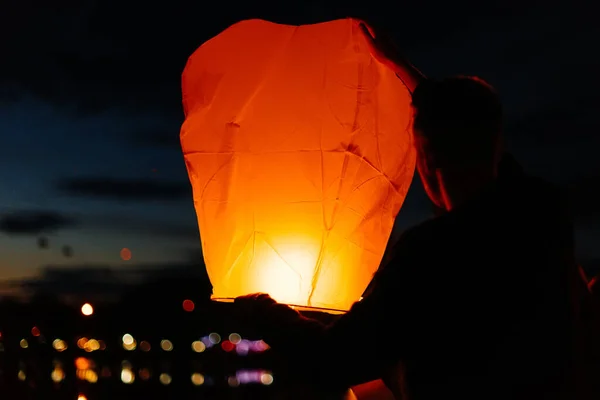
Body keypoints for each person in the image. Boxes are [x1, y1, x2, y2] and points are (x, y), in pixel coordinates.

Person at [235, 21, 598, 399]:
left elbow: (334, 358)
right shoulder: (543, 215)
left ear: (423, 155)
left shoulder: (434, 252)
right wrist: (404, 71)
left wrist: (263, 313)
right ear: (494, 142)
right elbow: (466, 131)